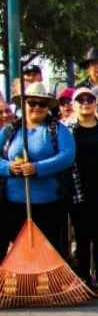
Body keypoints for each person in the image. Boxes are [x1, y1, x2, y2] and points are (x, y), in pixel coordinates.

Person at [0, 83, 75, 260]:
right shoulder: (10, 130)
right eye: (32, 103)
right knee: (20, 253)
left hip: (49, 205)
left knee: (50, 253)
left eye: (42, 104)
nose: (36, 107)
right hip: (13, 205)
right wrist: (8, 168)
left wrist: (37, 168)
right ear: (23, 104)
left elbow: (67, 155)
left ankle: (50, 287)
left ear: (48, 107)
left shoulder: (58, 130)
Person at [66, 87, 98, 297]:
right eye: (81, 99)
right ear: (74, 104)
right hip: (78, 192)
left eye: (90, 99)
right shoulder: (67, 129)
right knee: (82, 238)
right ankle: (85, 281)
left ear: (95, 103)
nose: (85, 103)